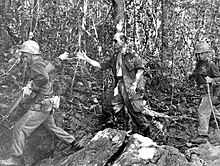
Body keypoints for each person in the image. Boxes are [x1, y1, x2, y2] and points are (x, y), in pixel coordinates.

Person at [0, 40, 83, 166]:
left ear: (32, 54)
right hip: (47, 105)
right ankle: (74, 143)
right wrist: (59, 59)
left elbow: (43, 77)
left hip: (40, 106)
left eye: (26, 56)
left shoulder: (35, 64)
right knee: (51, 127)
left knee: (19, 128)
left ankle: (16, 159)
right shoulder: (41, 62)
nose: (24, 59)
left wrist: (31, 86)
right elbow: (50, 67)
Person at [77, 32, 150, 136]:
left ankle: (147, 133)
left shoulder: (132, 55)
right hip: (120, 85)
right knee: (107, 105)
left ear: (123, 41)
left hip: (130, 86)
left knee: (134, 110)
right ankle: (107, 127)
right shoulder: (115, 57)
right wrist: (86, 59)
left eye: (115, 41)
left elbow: (140, 69)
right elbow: (102, 66)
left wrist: (134, 84)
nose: (113, 43)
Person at [189, 41, 220, 144]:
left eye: (202, 53)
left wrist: (212, 80)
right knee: (212, 111)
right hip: (202, 91)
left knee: (202, 112)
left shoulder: (211, 64)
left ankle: (202, 136)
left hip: (209, 92)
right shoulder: (199, 64)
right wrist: (191, 75)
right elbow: (197, 74)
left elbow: (218, 78)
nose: (200, 55)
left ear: (207, 53)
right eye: (198, 53)